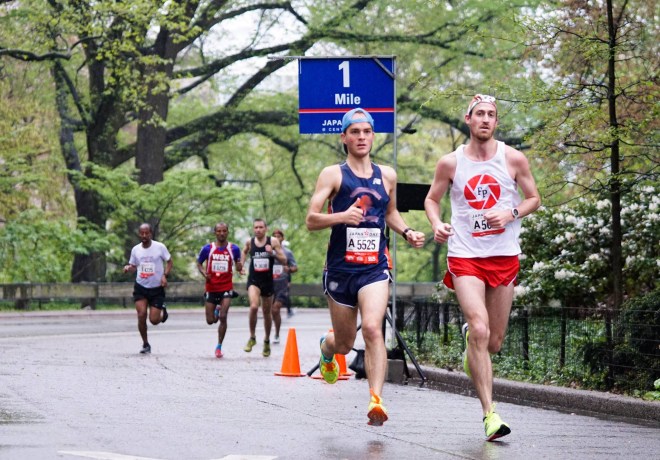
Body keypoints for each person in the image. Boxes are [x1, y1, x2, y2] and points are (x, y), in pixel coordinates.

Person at [424, 94, 541, 441]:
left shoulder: (513, 158)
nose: (485, 119)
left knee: (493, 342)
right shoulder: (450, 163)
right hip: (465, 255)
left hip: (503, 255)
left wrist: (511, 213)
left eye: (491, 114)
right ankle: (490, 414)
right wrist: (436, 223)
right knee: (479, 326)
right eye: (480, 114)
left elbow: (534, 198)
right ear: (468, 119)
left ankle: (472, 344)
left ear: (496, 122)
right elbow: (432, 199)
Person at [305, 107, 425, 426]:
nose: (361, 137)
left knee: (372, 328)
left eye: (367, 131)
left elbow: (390, 213)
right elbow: (311, 220)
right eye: (355, 132)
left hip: (374, 268)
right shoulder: (333, 174)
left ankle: (376, 400)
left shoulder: (387, 175)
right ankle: (327, 348)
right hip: (340, 271)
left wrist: (407, 232)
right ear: (344, 137)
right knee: (345, 344)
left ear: (373, 135)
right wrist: (342, 216)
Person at [123, 223, 173, 354]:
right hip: (141, 286)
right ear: (139, 234)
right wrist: (128, 268)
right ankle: (145, 344)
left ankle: (163, 313)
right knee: (141, 315)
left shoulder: (159, 247)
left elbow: (169, 261)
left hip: (157, 288)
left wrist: (165, 275)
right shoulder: (136, 250)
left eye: (147, 233)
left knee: (154, 320)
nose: (144, 235)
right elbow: (133, 266)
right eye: (142, 233)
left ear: (151, 234)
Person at [242, 218, 289, 357]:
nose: (258, 230)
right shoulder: (249, 242)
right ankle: (252, 337)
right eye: (256, 227)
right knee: (254, 307)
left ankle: (267, 340)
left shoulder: (273, 241)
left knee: (267, 313)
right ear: (253, 229)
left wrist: (272, 253)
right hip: (254, 280)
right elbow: (244, 252)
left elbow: (284, 260)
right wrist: (241, 266)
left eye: (261, 227)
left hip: (267, 282)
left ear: (266, 229)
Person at [196, 222, 243, 358]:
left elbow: (239, 267)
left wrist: (239, 266)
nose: (221, 233)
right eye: (219, 231)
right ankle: (216, 309)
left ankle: (219, 346)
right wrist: (204, 273)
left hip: (226, 287)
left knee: (223, 317)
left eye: (224, 231)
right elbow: (199, 263)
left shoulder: (234, 249)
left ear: (227, 232)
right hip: (211, 287)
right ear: (215, 233)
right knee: (210, 320)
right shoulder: (207, 249)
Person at [271, 229, 298, 343]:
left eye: (279, 236)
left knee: (276, 309)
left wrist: (289, 269)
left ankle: (277, 334)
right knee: (271, 311)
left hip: (282, 284)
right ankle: (269, 333)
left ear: (283, 238)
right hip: (269, 284)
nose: (277, 238)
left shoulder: (287, 252)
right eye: (274, 236)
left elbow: (295, 267)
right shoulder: (268, 252)